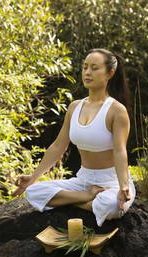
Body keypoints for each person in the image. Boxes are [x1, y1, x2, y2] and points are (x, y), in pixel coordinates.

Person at [13, 48, 136, 227]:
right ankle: (88, 197)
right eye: (85, 67)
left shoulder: (116, 111)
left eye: (94, 68)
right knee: (33, 191)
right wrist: (33, 177)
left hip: (110, 182)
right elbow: (58, 147)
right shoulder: (75, 107)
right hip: (83, 181)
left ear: (110, 73)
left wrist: (124, 185)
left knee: (112, 205)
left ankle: (75, 200)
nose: (87, 72)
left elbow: (120, 151)